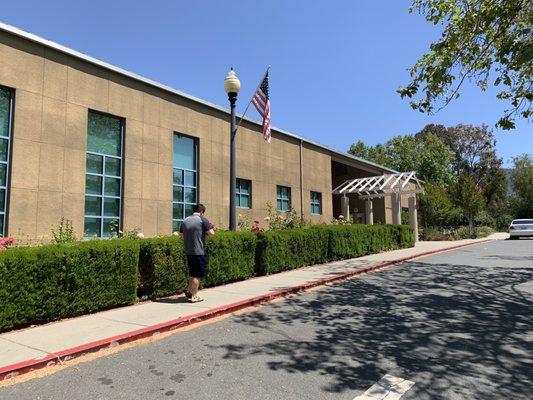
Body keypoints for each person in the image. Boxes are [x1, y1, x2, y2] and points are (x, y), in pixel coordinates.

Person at [179, 204, 215, 303]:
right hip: (199, 251)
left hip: (188, 251)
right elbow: (212, 234)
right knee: (197, 275)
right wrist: (210, 227)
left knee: (192, 273)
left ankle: (190, 292)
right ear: (202, 212)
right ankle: (194, 296)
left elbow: (181, 234)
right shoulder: (203, 220)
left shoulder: (185, 220)